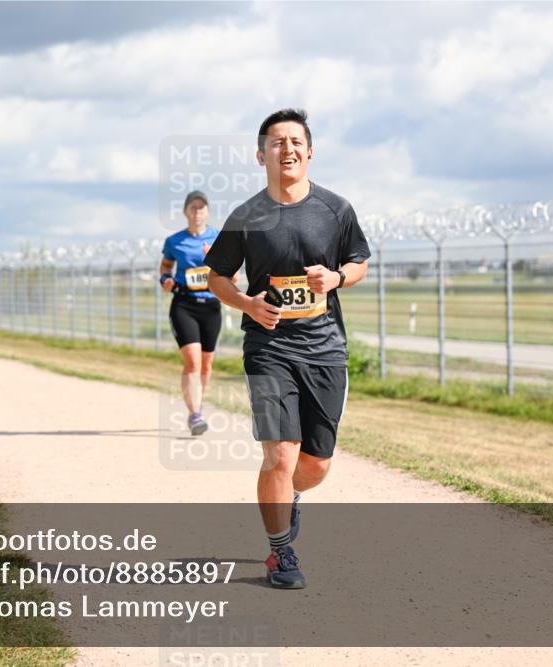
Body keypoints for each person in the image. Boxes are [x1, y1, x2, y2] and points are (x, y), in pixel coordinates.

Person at [205, 108, 370, 589]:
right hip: (268, 348)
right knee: (279, 455)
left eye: (295, 141)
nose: (288, 149)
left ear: (310, 150)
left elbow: (358, 263)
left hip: (324, 349)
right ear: (262, 156)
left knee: (314, 464)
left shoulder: (336, 209)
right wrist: (246, 303)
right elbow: (217, 277)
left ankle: (291, 496)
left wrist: (337, 276)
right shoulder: (246, 216)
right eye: (277, 143)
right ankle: (280, 553)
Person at [159, 191, 237, 436]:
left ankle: (198, 407)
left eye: (202, 208)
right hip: (184, 304)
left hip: (212, 305)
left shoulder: (217, 238)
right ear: (185, 212)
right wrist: (165, 279)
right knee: (192, 361)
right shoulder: (174, 241)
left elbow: (233, 276)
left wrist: (212, 259)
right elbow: (166, 265)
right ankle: (194, 415)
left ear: (208, 212)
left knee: (206, 364)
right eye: (193, 208)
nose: (197, 212)